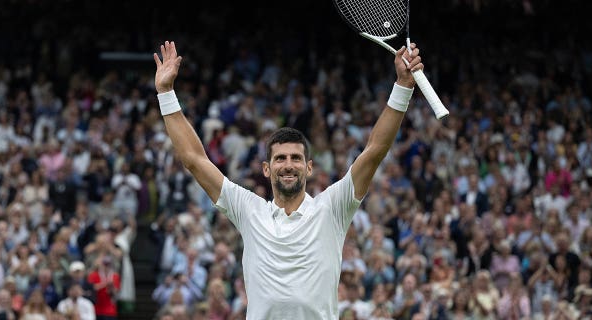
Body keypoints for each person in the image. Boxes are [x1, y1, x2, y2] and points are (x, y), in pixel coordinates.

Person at [153, 40, 423, 319]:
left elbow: (374, 151)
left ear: (309, 168)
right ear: (266, 169)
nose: (288, 165)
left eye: (295, 158)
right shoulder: (249, 210)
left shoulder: (331, 208)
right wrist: (165, 92)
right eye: (280, 158)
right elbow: (194, 160)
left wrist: (402, 86)